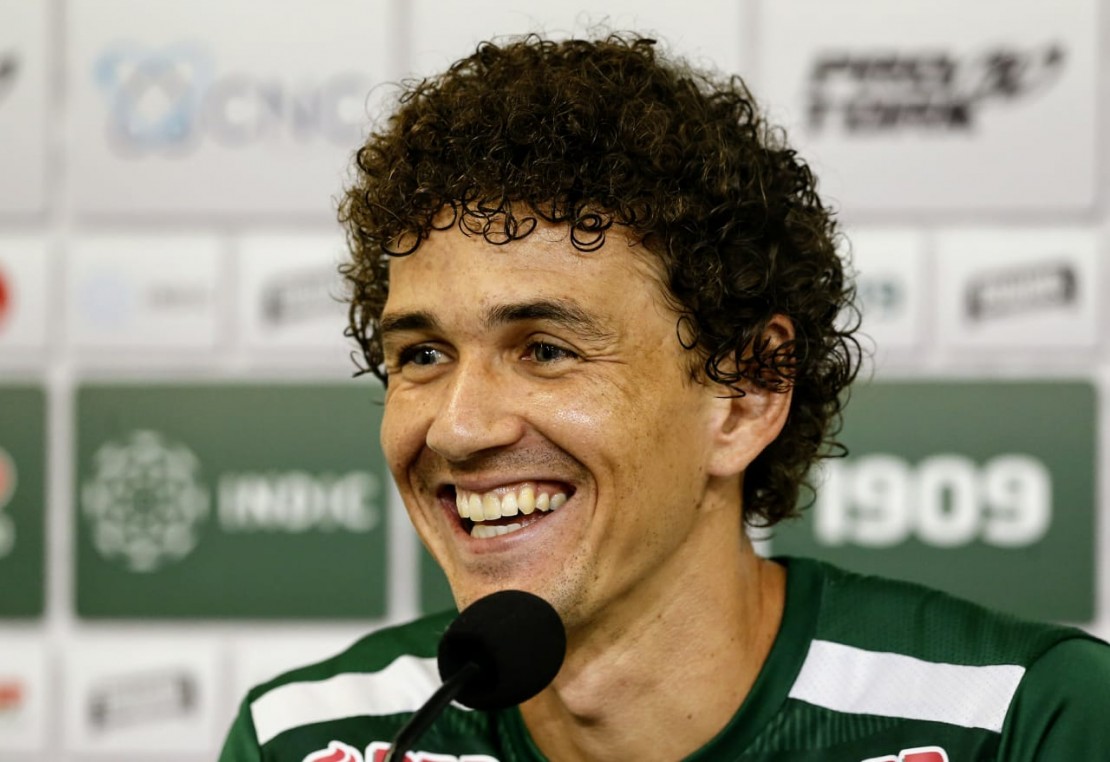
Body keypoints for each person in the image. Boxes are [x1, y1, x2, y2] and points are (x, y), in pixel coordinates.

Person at [219, 33, 1110, 762]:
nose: (458, 426)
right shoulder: (311, 739)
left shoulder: (1020, 720)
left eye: (545, 350)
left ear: (748, 391)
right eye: (422, 355)